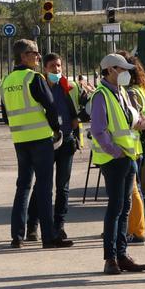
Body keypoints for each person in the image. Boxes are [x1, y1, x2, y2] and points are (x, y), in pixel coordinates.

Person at [1, 39, 72, 249]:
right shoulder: (34, 78)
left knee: (23, 186)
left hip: (20, 140)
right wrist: (57, 130)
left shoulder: (6, 81)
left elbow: (5, 116)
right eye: (35, 53)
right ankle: (49, 237)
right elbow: (50, 107)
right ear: (23, 56)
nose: (38, 57)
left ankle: (17, 235)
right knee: (44, 187)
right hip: (41, 139)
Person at [88, 54, 145, 275]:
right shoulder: (101, 95)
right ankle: (111, 258)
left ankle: (122, 255)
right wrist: (115, 152)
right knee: (116, 208)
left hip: (128, 158)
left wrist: (141, 123)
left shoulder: (121, 92)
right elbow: (98, 130)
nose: (126, 72)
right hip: (115, 159)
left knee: (124, 209)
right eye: (121, 69)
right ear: (109, 70)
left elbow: (130, 122)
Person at [41, 52, 89, 242]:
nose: (57, 69)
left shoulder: (70, 87)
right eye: (53, 66)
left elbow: (89, 104)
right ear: (45, 69)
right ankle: (34, 224)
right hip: (46, 141)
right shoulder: (40, 87)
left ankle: (59, 225)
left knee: (63, 187)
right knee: (43, 185)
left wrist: (78, 119)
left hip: (67, 140)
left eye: (59, 66)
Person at [116, 51, 145, 244]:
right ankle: (136, 226)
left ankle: (136, 230)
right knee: (134, 189)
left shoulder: (130, 92)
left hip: (131, 145)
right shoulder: (141, 88)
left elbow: (136, 120)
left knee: (132, 190)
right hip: (139, 145)